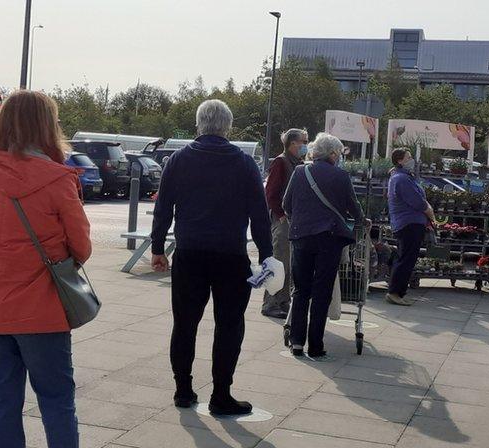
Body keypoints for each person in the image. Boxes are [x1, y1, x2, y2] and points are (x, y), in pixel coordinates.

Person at [0, 90, 121, 448]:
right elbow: (82, 249)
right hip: (41, 310)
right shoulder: (56, 178)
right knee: (56, 403)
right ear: (46, 127)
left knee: (2, 401)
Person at [151, 99, 273, 416]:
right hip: (231, 256)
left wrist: (157, 248)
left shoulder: (178, 160)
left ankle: (183, 389)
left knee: (185, 324)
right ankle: (221, 395)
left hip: (189, 254)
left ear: (198, 124)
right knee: (229, 325)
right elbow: (260, 215)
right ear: (227, 127)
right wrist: (267, 255)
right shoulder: (244, 163)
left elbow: (164, 208)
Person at [283, 133, 365, 358]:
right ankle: (316, 345)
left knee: (300, 290)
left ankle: (297, 343)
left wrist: (299, 222)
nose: (338, 157)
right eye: (338, 153)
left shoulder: (300, 172)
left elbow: (286, 204)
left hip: (301, 237)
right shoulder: (340, 176)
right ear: (331, 154)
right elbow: (353, 205)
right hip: (329, 238)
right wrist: (361, 221)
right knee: (321, 291)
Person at [261, 128, 309, 319]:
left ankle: (282, 300)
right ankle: (270, 303)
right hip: (283, 220)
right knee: (278, 263)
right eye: (303, 142)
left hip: (292, 220)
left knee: (287, 264)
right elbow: (271, 193)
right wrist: (280, 214)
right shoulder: (281, 162)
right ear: (292, 144)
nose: (306, 145)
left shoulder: (297, 163)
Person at [386, 148, 436, 306]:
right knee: (406, 259)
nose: (412, 159)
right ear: (400, 160)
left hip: (409, 223)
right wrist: (431, 214)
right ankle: (395, 292)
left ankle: (399, 292)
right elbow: (418, 202)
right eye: (408, 157)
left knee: (406, 258)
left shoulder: (403, 177)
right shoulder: (401, 179)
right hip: (409, 223)